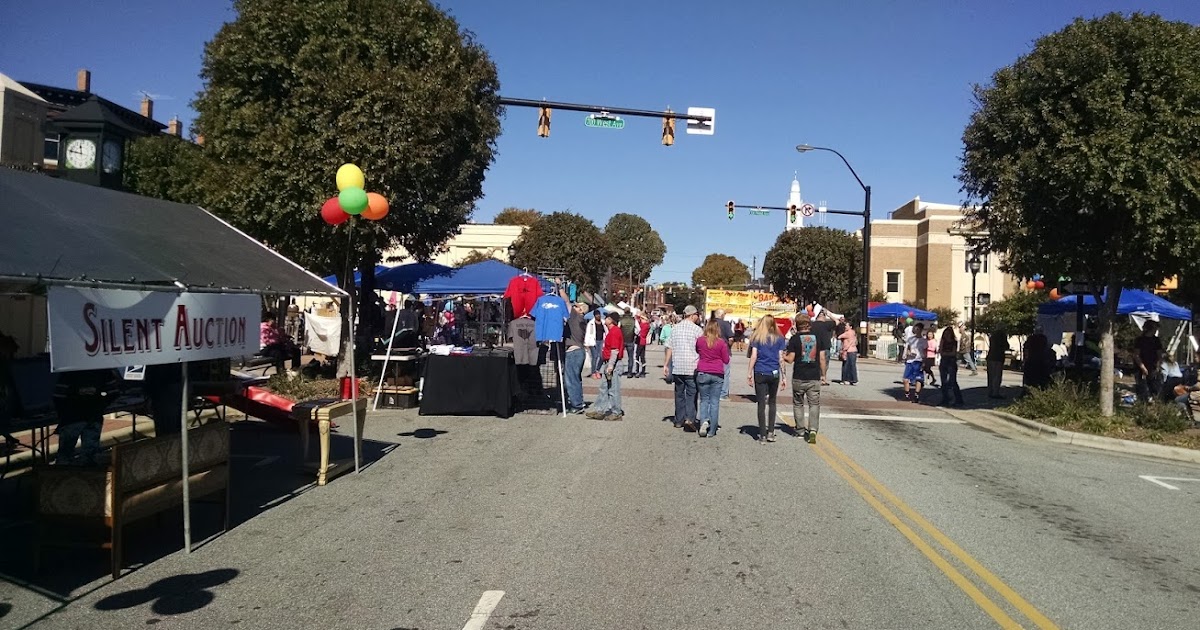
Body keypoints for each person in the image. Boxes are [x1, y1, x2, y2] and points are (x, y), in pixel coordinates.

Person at [54, 368, 120, 465]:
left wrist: (63, 413)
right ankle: (88, 477)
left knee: (65, 455)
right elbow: (114, 392)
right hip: (93, 416)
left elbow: (58, 396)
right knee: (90, 455)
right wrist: (99, 405)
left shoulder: (69, 371)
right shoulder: (103, 370)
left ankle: (61, 477)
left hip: (72, 417)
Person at [747, 315, 787, 442]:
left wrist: (749, 373)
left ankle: (762, 434)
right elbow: (781, 358)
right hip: (774, 372)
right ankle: (771, 431)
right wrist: (784, 376)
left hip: (760, 371)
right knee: (773, 402)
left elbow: (753, 356)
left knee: (761, 403)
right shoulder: (780, 339)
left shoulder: (757, 338)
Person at [784, 314, 823, 443]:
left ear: (796, 324)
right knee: (814, 404)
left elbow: (790, 359)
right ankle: (812, 430)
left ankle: (800, 430)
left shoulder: (794, 339)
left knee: (798, 404)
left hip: (799, 376)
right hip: (814, 376)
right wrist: (823, 374)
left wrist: (783, 356)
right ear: (809, 324)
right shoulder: (817, 338)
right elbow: (822, 358)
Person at [663, 306, 703, 430]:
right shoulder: (698, 330)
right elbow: (702, 348)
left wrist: (666, 364)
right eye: (697, 314)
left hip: (678, 366)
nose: (698, 316)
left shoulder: (675, 329)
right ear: (692, 315)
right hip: (692, 366)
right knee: (692, 393)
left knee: (679, 394)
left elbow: (669, 347)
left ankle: (678, 420)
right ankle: (690, 418)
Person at [586, 311, 625, 421]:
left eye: (607, 317)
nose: (605, 319)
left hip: (613, 363)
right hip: (609, 362)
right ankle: (600, 410)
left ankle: (616, 412)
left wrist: (610, 366)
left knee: (613, 389)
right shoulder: (612, 331)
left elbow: (615, 350)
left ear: (611, 320)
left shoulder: (614, 332)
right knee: (604, 387)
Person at [695, 318, 730, 438]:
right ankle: (712, 429)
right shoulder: (721, 343)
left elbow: (697, 352)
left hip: (703, 371)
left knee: (704, 400)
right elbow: (726, 360)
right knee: (715, 402)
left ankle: (704, 421)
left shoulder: (700, 341)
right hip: (717, 373)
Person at [563, 301, 589, 413]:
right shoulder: (581, 321)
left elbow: (567, 302)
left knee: (571, 380)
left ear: (581, 310)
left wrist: (560, 288)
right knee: (576, 379)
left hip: (573, 351)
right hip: (579, 351)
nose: (574, 307)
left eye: (577, 306)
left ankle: (576, 405)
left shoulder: (576, 318)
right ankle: (578, 402)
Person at [1133, 321, 1164, 403]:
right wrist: (1142, 367)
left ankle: (1153, 402)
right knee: (1142, 388)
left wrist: (1158, 366)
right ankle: (1143, 403)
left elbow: (1160, 355)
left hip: (1153, 366)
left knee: (1154, 388)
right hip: (1141, 367)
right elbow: (1136, 355)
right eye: (1155, 328)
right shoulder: (1140, 340)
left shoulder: (1156, 340)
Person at [938, 325, 965, 406]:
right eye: (945, 334)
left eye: (948, 334)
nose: (947, 336)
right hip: (944, 362)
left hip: (951, 362)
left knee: (953, 381)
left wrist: (946, 353)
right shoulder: (943, 341)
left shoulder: (954, 342)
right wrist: (945, 353)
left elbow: (953, 353)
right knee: (944, 381)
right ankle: (945, 399)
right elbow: (941, 351)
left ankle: (958, 399)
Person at [902, 322, 928, 404]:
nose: (916, 330)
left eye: (918, 328)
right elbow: (907, 349)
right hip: (910, 360)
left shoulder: (923, 341)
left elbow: (925, 352)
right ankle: (907, 393)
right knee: (906, 379)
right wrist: (907, 354)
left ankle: (916, 394)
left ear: (921, 329)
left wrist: (924, 362)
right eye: (915, 328)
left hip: (918, 360)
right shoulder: (910, 339)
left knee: (918, 379)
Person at [714, 309, 735, 399]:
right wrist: (729, 346)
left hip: (712, 350)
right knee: (725, 372)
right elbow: (730, 338)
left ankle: (714, 391)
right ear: (722, 315)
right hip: (724, 350)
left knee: (713, 371)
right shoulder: (725, 324)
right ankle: (723, 393)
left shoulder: (711, 323)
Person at [810, 309, 835, 386]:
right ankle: (823, 377)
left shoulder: (812, 324)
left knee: (813, 362)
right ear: (824, 317)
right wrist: (829, 314)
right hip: (825, 345)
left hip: (813, 345)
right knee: (824, 362)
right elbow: (837, 321)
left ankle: (815, 377)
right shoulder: (827, 324)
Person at [987, 326, 1009, 399]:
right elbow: (1006, 346)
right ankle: (995, 392)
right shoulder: (1003, 335)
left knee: (991, 375)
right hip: (999, 357)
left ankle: (990, 391)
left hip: (991, 356)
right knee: (997, 375)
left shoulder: (992, 336)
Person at [620, 309, 638, 377]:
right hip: (630, 340)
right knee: (630, 357)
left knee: (619, 356)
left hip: (622, 340)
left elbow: (618, 328)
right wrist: (635, 334)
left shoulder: (621, 319)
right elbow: (638, 329)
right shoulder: (633, 320)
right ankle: (629, 372)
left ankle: (619, 370)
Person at [635, 311, 650, 378]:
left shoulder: (643, 325)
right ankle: (643, 372)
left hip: (640, 341)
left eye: (642, 318)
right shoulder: (647, 325)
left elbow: (639, 331)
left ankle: (637, 371)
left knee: (637, 356)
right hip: (643, 342)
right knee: (642, 357)